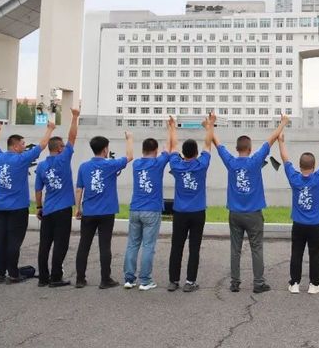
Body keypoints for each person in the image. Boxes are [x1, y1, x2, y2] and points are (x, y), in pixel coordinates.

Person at [214, 114, 289, 293]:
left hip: (235, 213)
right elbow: (271, 139)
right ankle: (258, 283)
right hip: (254, 214)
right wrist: (283, 123)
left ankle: (235, 283)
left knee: (235, 249)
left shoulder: (230, 162)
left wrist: (210, 126)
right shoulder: (255, 161)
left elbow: (217, 144)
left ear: (237, 148)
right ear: (250, 148)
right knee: (256, 248)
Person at [0, 120, 55, 284]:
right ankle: (13, 274)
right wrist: (50, 129)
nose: (24, 147)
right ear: (15, 146)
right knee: (14, 241)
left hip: (1, 207)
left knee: (0, 239)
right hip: (18, 208)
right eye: (22, 144)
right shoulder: (21, 160)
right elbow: (41, 146)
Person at [278, 131, 319, 294]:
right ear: (314, 166)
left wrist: (281, 141)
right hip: (315, 225)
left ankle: (294, 284)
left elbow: (285, 159)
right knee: (315, 255)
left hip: (298, 224)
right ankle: (314, 285)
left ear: (300, 165)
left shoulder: (294, 177)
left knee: (296, 253)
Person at [74, 132, 133, 289]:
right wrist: (129, 139)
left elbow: (79, 189)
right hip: (106, 212)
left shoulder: (83, 166)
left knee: (84, 245)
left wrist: (77, 208)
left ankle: (80, 279)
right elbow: (129, 157)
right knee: (105, 246)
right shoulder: (111, 165)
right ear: (105, 149)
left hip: (88, 211)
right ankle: (105, 279)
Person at [123, 118, 175, 291]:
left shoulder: (137, 164)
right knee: (148, 246)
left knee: (132, 244)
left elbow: (130, 155)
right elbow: (170, 148)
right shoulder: (158, 163)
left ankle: (129, 279)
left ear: (143, 150)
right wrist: (171, 128)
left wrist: (129, 139)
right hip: (151, 210)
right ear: (156, 150)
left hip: (135, 209)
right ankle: (145, 280)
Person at [167, 114, 214, 293]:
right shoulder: (202, 164)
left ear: (184, 153)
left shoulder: (176, 164)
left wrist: (172, 127)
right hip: (197, 212)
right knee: (194, 248)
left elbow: (173, 146)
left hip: (180, 212)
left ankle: (173, 281)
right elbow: (208, 144)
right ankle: (190, 281)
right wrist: (210, 125)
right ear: (196, 153)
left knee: (176, 246)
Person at [34, 109, 80, 288]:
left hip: (48, 210)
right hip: (62, 210)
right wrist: (74, 117)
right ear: (60, 148)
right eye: (63, 145)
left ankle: (43, 278)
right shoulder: (64, 158)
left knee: (44, 245)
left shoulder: (41, 166)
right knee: (61, 244)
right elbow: (72, 137)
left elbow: (38, 189)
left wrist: (39, 207)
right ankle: (55, 277)